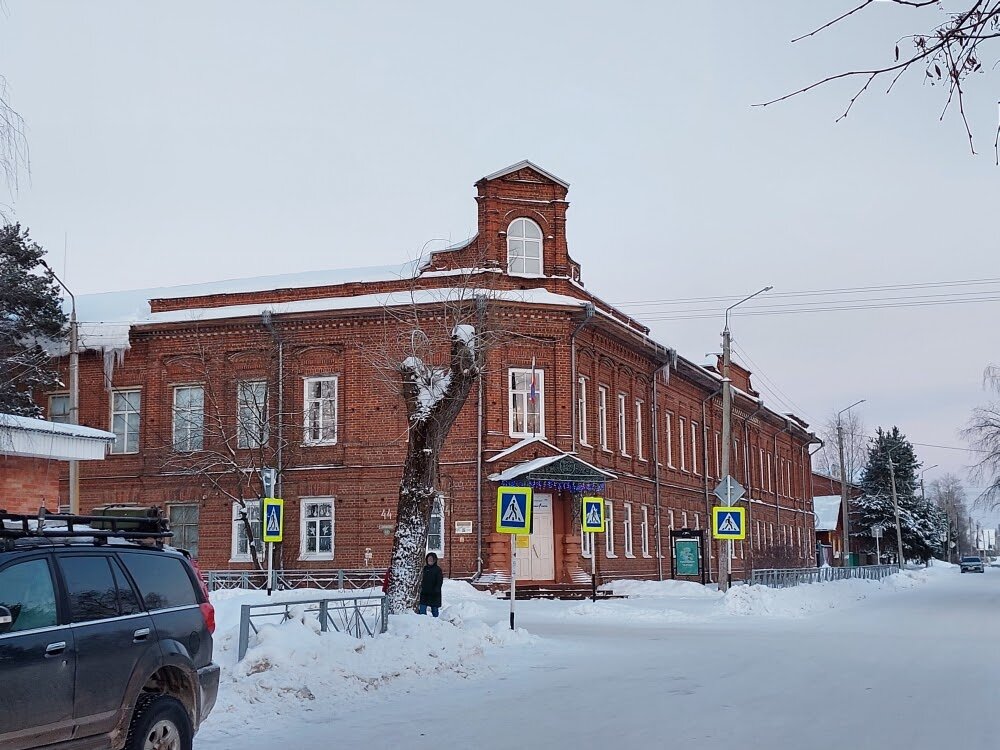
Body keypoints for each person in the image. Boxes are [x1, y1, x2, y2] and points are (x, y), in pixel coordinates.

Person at [418, 552, 443, 617]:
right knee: (422, 609)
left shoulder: (438, 570)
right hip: (424, 593)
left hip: (434, 593)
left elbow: (439, 581)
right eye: (429, 559)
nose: (430, 561)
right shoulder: (425, 569)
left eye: (432, 559)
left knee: (434, 610)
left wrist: (437, 589)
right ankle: (423, 621)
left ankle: (435, 622)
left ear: (435, 560)